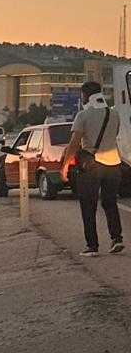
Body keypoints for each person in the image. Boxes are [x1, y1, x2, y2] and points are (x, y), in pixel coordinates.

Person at [64, 80, 123, 257]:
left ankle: (92, 246)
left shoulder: (83, 115)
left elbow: (74, 143)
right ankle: (117, 238)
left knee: (88, 206)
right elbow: (115, 135)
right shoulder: (114, 114)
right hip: (114, 165)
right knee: (110, 203)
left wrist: (65, 165)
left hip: (91, 165)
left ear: (85, 96)